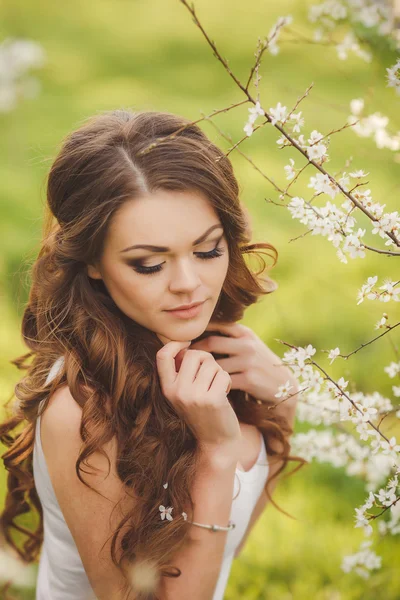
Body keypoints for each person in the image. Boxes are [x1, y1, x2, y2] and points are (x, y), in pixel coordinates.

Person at [0, 109, 304, 600]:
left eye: (207, 251)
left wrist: (282, 407)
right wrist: (217, 452)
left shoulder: (211, 357)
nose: (189, 285)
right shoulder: (79, 412)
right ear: (93, 263)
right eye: (149, 263)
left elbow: (219, 559)